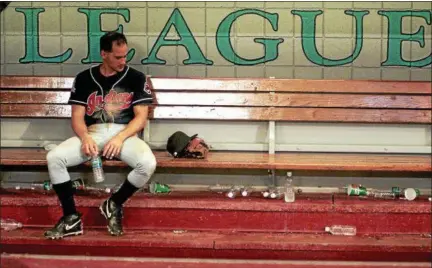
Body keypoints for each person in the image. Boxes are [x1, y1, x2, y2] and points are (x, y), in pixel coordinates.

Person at [44, 31, 156, 239]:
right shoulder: (84, 78)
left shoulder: (136, 78)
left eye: (125, 55)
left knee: (147, 164)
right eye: (117, 56)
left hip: (125, 135)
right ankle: (71, 218)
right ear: (104, 54)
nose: (123, 61)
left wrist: (120, 137)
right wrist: (85, 137)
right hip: (93, 133)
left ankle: (114, 203)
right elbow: (77, 117)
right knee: (55, 158)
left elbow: (141, 118)